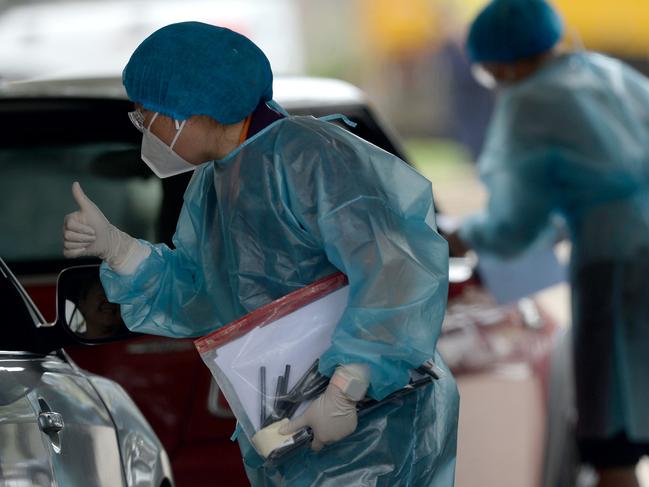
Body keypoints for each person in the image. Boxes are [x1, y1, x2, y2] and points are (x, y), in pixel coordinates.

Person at [62, 22, 459, 486]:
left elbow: (396, 268)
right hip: (295, 430)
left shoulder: (309, 157)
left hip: (376, 426)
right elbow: (202, 295)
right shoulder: (215, 183)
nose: (143, 127)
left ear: (190, 112)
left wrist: (348, 387)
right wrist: (118, 247)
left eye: (145, 115)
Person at [448, 1, 649, 486]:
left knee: (613, 430)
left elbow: (516, 220)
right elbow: (602, 177)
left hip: (615, 262)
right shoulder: (607, 73)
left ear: (505, 61)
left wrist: (461, 234)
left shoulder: (531, 100)